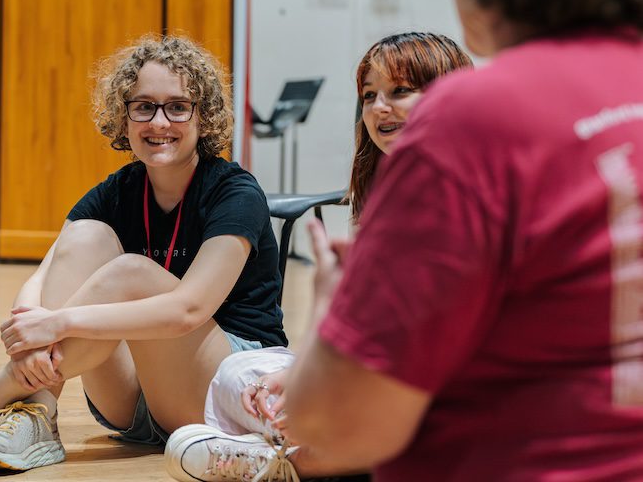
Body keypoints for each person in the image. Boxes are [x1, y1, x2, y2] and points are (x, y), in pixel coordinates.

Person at [271, 0, 643, 480]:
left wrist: (330, 304)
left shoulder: (479, 116)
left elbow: (342, 421)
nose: (382, 108)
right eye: (371, 96)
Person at [0, 35, 287, 470]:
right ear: (124, 116)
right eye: (143, 107)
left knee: (132, 274)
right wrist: (29, 320)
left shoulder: (234, 191)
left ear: (203, 116)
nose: (159, 122)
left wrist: (56, 323)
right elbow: (42, 278)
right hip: (134, 405)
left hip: (223, 393)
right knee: (85, 239)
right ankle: (38, 416)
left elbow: (188, 310)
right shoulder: (119, 191)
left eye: (177, 107)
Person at [164, 32, 472, 482]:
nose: (379, 107)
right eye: (369, 96)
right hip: (376, 376)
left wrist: (328, 387)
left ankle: (286, 461)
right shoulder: (382, 194)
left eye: (400, 92)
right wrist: (302, 380)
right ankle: (297, 441)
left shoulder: (472, 193)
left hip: (440, 382)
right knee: (242, 370)